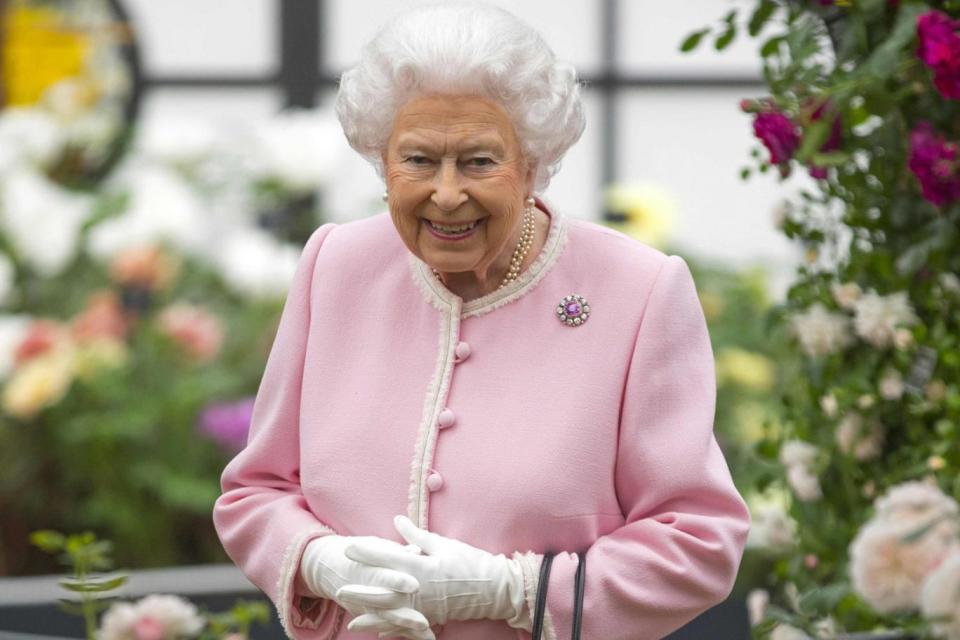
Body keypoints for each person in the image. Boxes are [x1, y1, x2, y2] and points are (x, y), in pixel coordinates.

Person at [212, 2, 751, 639]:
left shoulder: (639, 292)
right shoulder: (336, 266)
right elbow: (256, 491)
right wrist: (319, 561)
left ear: (533, 163)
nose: (445, 193)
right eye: (416, 160)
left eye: (477, 161)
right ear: (381, 162)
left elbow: (698, 541)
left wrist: (513, 591)